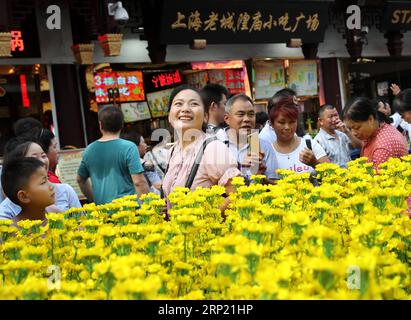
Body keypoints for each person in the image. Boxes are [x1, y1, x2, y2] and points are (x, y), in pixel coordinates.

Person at [162, 85, 241, 209]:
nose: (185, 109)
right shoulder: (173, 151)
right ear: (169, 116)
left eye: (193, 104)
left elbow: (237, 195)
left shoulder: (212, 148)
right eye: (178, 104)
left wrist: (204, 215)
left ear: (205, 116)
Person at [77, 105, 150, 205]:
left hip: (102, 213)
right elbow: (139, 182)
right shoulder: (129, 147)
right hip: (128, 212)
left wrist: (95, 200)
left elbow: (80, 179)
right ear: (122, 125)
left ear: (100, 125)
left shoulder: (89, 150)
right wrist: (149, 207)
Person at [0, 140, 81, 220]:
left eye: (43, 155)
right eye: (33, 158)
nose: (42, 161)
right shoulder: (9, 224)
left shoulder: (56, 213)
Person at [216, 93, 279, 182]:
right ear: (227, 118)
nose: (247, 119)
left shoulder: (263, 146)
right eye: (240, 114)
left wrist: (261, 177)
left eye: (251, 114)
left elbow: (275, 188)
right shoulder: (215, 144)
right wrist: (241, 170)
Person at [343, 97, 408, 171]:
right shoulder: (380, 128)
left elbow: (378, 180)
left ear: (370, 119)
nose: (353, 133)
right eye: (350, 129)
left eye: (357, 128)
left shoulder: (382, 149)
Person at [270, 97, 330, 174]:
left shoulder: (310, 145)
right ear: (272, 124)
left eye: (292, 122)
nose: (287, 127)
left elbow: (331, 175)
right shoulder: (269, 152)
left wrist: (314, 163)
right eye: (282, 122)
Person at [1, 158, 55, 222]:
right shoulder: (12, 230)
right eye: (43, 182)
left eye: (47, 178)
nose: (52, 186)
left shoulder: (58, 217)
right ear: (23, 196)